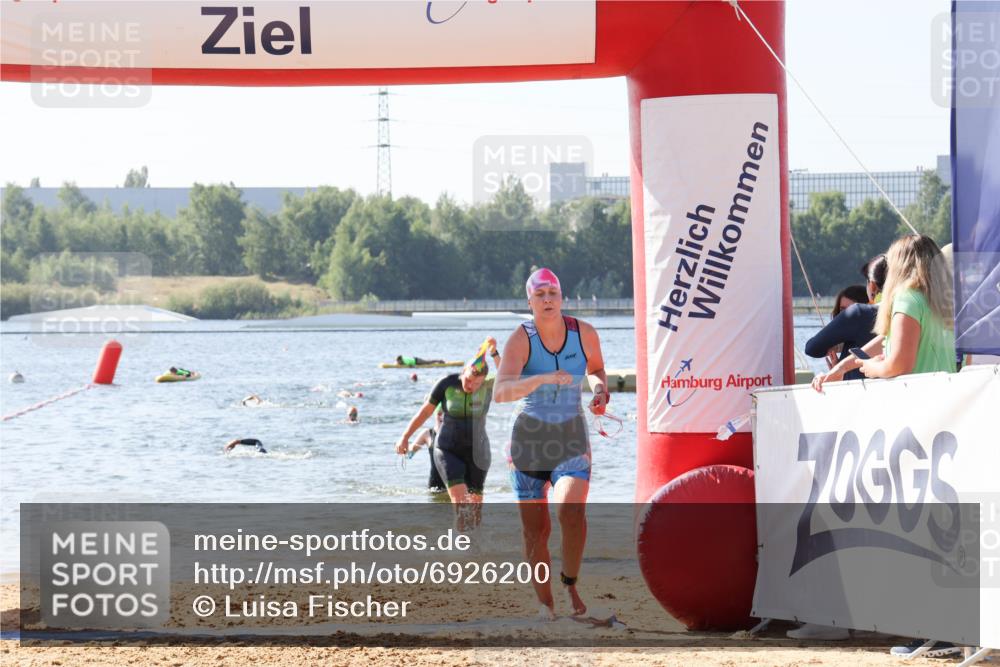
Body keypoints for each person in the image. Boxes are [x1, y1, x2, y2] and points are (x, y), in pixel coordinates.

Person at [493, 268, 609, 621]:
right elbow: (500, 393)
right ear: (529, 301)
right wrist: (541, 377)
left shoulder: (583, 333)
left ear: (562, 298)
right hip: (528, 441)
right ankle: (545, 605)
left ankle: (569, 583)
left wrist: (601, 390)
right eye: (540, 294)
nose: (547, 299)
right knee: (535, 533)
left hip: (570, 434)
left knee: (571, 512)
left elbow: (597, 370)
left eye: (552, 293)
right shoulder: (520, 339)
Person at [812, 235, 955, 392]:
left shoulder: (907, 298)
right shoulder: (942, 303)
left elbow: (901, 365)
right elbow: (887, 340)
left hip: (914, 399)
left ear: (899, 266)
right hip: (944, 396)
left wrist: (873, 367)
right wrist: (841, 368)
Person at [395, 338, 502, 529]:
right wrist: (405, 437)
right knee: (461, 504)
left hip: (478, 452)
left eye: (477, 383)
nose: (471, 386)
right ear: (463, 372)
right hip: (447, 449)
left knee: (475, 507)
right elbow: (425, 412)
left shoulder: (488, 386)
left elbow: (509, 377)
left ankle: (476, 550)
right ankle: (460, 550)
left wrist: (494, 353)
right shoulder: (446, 384)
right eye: (468, 380)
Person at [804, 257, 888, 380]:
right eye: (842, 311)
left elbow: (812, 348)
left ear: (872, 284)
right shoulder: (902, 314)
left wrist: (837, 348)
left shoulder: (859, 313)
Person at [409, 409, 447, 493]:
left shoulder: (456, 432)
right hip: (435, 485)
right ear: (434, 414)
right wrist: (410, 450)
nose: (442, 416)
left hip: (455, 483)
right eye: (439, 413)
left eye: (446, 413)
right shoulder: (427, 433)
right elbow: (409, 455)